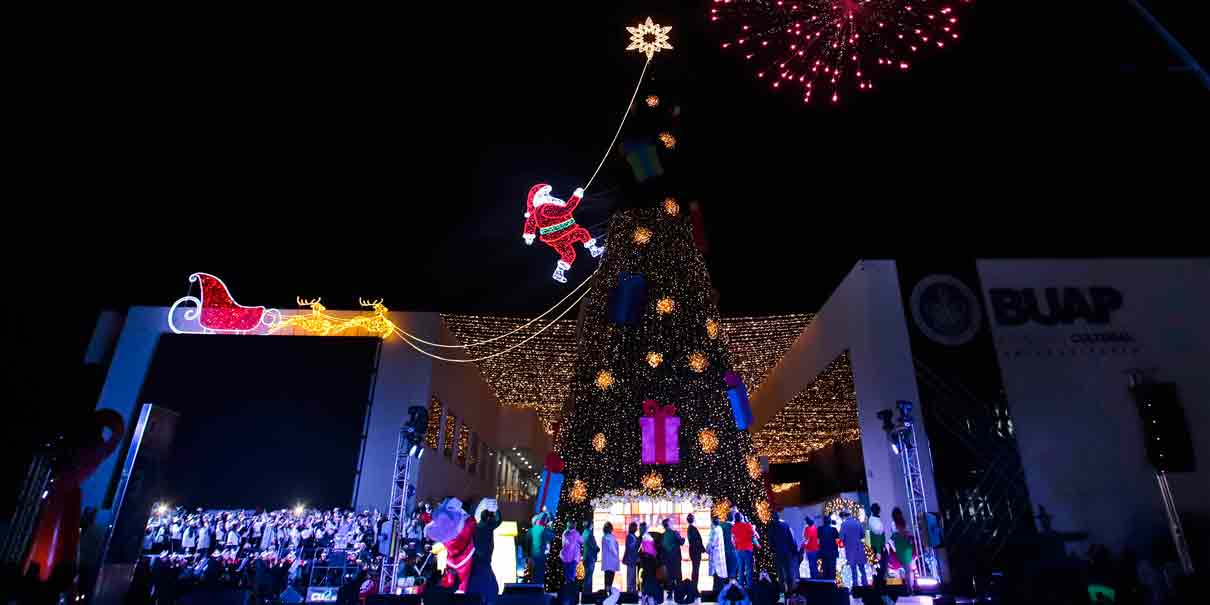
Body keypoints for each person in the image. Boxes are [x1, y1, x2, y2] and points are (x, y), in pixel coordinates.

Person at [468, 498, 502, 605]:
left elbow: (497, 521)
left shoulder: (484, 525)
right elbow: (496, 521)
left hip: (481, 562)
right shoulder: (479, 526)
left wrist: (495, 510)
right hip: (480, 562)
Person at [769, 510, 797, 594]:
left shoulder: (771, 526)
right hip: (787, 552)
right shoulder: (785, 525)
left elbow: (771, 541)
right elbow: (790, 538)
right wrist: (793, 550)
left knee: (780, 573)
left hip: (778, 553)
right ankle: (791, 592)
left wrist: (773, 550)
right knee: (789, 571)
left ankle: (782, 593)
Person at [839, 510, 867, 588]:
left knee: (853, 570)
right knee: (862, 569)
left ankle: (856, 587)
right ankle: (865, 585)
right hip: (859, 548)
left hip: (850, 550)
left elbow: (841, 537)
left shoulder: (844, 524)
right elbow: (863, 535)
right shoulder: (858, 523)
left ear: (844, 516)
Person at [890, 507, 915, 592]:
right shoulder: (898, 524)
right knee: (908, 569)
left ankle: (909, 587)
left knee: (908, 569)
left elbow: (899, 535)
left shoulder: (898, 524)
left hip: (903, 547)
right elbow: (903, 534)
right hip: (904, 547)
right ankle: (909, 588)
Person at [529, 512, 555, 585]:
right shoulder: (543, 530)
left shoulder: (534, 529)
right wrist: (551, 525)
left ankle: (534, 590)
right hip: (541, 557)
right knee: (540, 576)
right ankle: (538, 591)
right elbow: (553, 536)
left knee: (534, 575)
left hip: (533, 555)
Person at [731, 513, 757, 587]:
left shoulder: (733, 527)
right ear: (742, 518)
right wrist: (753, 527)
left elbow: (732, 540)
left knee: (740, 569)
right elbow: (753, 534)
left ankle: (740, 587)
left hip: (738, 550)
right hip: (747, 549)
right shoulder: (747, 525)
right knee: (749, 569)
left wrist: (736, 547)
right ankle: (749, 587)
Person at [638, 531, 662, 605]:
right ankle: (650, 597)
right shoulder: (650, 542)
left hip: (647, 563)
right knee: (651, 578)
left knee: (648, 578)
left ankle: (645, 596)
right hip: (651, 562)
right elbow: (655, 552)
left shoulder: (644, 542)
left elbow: (641, 552)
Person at [661, 518, 685, 588]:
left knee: (670, 576)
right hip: (676, 558)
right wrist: (683, 539)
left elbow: (662, 546)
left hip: (667, 558)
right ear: (668, 525)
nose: (672, 524)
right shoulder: (675, 533)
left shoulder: (663, 535)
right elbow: (681, 542)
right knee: (678, 575)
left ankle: (670, 593)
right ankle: (679, 592)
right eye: (671, 523)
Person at [708, 515, 729, 592]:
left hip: (716, 554)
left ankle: (717, 590)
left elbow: (712, 542)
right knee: (719, 573)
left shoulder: (715, 530)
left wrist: (707, 549)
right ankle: (719, 589)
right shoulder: (719, 529)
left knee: (716, 572)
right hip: (719, 553)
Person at [868, 504, 887, 587]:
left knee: (878, 569)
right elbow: (877, 538)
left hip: (877, 548)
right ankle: (878, 586)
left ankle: (878, 585)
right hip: (877, 548)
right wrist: (878, 551)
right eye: (877, 509)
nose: (878, 511)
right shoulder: (874, 521)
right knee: (879, 569)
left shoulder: (874, 520)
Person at [816, 515, 840, 583]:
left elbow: (817, 540)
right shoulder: (834, 530)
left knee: (825, 569)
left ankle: (826, 586)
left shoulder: (819, 529)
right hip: (832, 553)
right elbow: (838, 540)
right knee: (832, 570)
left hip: (823, 553)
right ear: (830, 522)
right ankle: (832, 585)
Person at [561, 522, 583, 587]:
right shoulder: (576, 533)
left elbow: (563, 544)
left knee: (567, 576)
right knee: (572, 576)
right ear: (574, 526)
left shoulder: (564, 533)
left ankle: (567, 591)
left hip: (565, 557)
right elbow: (582, 541)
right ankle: (571, 592)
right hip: (573, 557)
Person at [721, 512, 739, 590]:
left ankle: (725, 591)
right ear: (733, 518)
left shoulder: (721, 526)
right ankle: (732, 592)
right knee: (732, 573)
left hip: (723, 552)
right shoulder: (735, 527)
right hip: (733, 552)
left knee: (725, 573)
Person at [582, 520, 600, 596]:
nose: (592, 526)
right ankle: (587, 595)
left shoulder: (584, 533)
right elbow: (594, 546)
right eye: (592, 524)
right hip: (590, 557)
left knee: (586, 576)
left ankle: (585, 593)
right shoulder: (589, 534)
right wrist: (597, 549)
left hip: (586, 556)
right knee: (588, 577)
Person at [686, 513, 704, 588]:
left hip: (694, 551)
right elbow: (696, 541)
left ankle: (694, 587)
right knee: (696, 570)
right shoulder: (692, 529)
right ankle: (694, 588)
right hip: (695, 552)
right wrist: (702, 549)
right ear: (693, 519)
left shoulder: (690, 528)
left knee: (695, 569)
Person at [601, 521, 620, 591]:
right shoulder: (610, 537)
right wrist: (616, 555)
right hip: (612, 560)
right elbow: (612, 548)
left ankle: (607, 592)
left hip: (607, 561)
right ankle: (608, 593)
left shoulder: (604, 537)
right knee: (610, 577)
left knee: (607, 577)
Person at [624, 522, 640, 593]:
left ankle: (633, 590)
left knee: (633, 576)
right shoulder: (630, 537)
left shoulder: (633, 536)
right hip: (631, 559)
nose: (636, 529)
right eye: (635, 527)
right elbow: (630, 548)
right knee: (630, 576)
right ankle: (629, 591)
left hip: (633, 559)